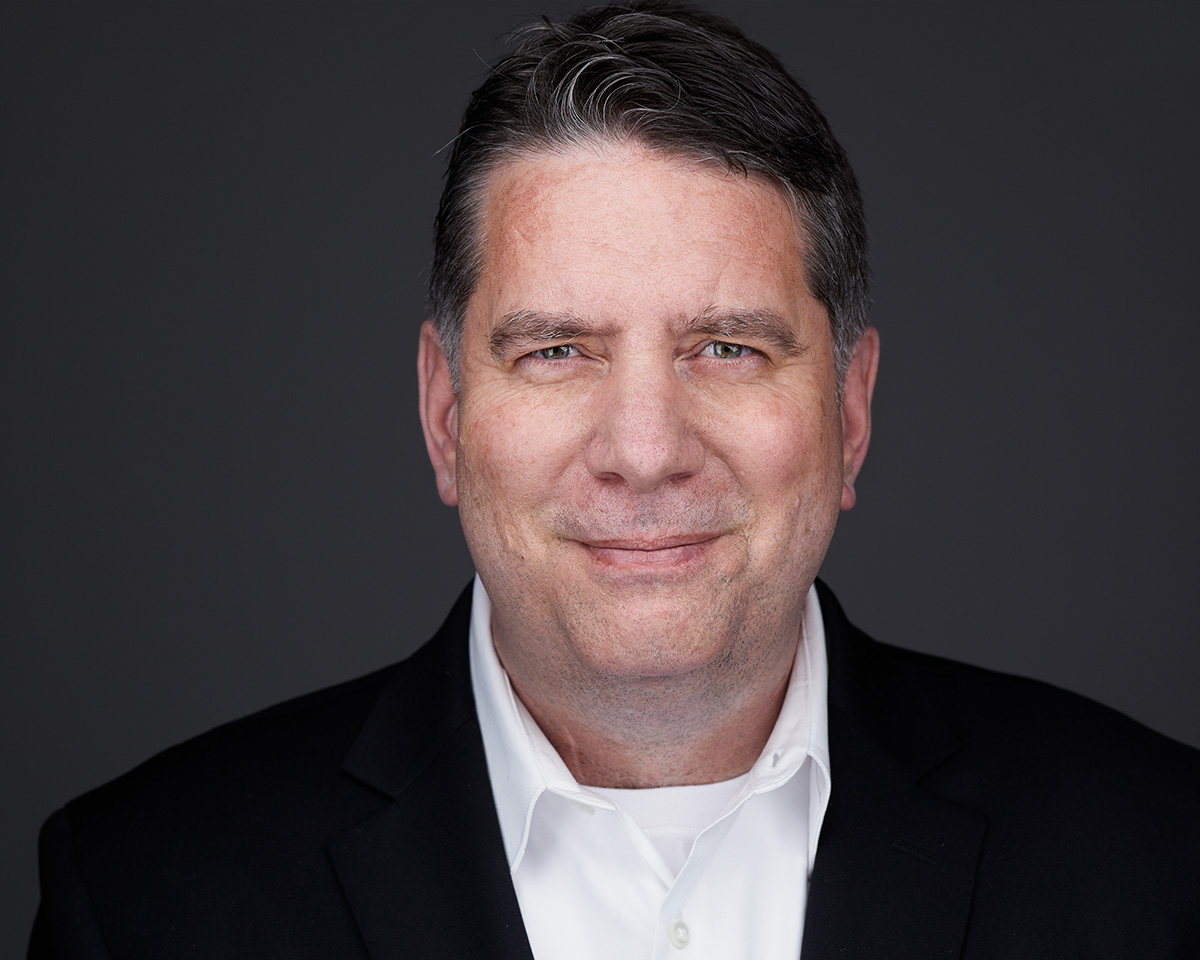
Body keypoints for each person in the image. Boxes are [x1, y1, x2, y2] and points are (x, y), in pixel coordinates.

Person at [29, 3, 1200, 957]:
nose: (645, 449)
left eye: (727, 348)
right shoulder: (144, 900)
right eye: (558, 352)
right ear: (445, 414)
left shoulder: (1159, 860)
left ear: (850, 408)